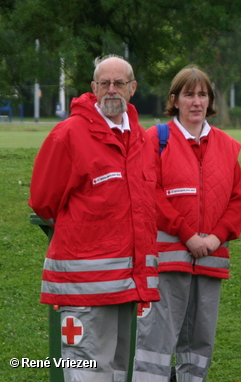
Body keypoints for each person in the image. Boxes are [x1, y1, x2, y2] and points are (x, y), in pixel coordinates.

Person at [29, 55, 160, 381]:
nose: (112, 90)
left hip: (127, 285)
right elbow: (44, 202)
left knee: (117, 371)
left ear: (133, 88)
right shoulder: (69, 135)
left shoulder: (141, 140)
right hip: (84, 288)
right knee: (88, 371)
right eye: (105, 83)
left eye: (119, 83)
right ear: (93, 88)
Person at [132, 66, 241, 382]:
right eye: (189, 94)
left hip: (210, 258)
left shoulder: (227, 145)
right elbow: (149, 193)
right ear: (175, 99)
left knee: (199, 345)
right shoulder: (156, 139)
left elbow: (237, 201)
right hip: (168, 261)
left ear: (209, 101)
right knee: (155, 342)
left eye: (202, 94)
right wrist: (187, 235)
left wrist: (214, 238)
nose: (196, 102)